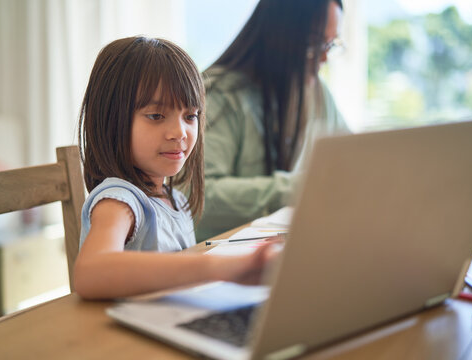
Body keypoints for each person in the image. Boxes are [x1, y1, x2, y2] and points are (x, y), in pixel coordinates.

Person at [74, 36, 276, 299]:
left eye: (190, 116)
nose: (179, 132)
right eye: (156, 116)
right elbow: (90, 273)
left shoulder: (175, 199)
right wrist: (217, 267)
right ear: (112, 121)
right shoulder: (120, 201)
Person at [197, 0, 351, 241]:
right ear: (280, 37)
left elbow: (353, 160)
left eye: (330, 44)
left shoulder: (317, 91)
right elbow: (199, 195)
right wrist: (299, 188)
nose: (324, 58)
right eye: (314, 43)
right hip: (218, 257)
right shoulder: (220, 94)